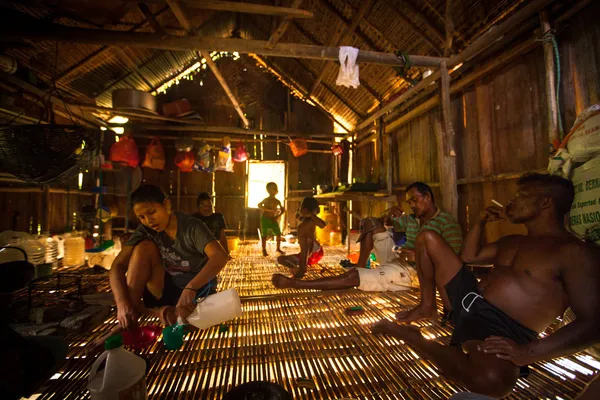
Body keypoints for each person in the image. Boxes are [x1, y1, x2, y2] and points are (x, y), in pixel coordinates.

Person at [372, 173, 600, 398]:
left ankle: (413, 337)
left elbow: (592, 324)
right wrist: (481, 221)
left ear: (545, 202)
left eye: (521, 195)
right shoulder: (513, 241)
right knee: (427, 237)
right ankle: (427, 305)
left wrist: (526, 353)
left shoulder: (573, 252)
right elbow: (469, 257)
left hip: (504, 328)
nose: (512, 201)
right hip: (468, 300)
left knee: (492, 381)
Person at [272, 182, 462, 293]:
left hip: (416, 273)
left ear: (428, 197)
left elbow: (452, 262)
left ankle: (296, 283)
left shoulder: (447, 224)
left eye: (415, 200)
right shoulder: (412, 219)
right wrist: (387, 215)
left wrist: (419, 257)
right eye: (409, 202)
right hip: (399, 258)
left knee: (354, 277)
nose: (411, 205)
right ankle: (361, 267)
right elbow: (377, 224)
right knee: (371, 222)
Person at [102, 185, 228, 343]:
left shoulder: (192, 227)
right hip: (166, 287)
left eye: (151, 212)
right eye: (141, 217)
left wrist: (191, 287)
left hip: (196, 291)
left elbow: (220, 257)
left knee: (199, 318)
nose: (148, 221)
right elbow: (117, 267)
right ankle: (130, 317)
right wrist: (122, 304)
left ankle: (157, 312)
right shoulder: (146, 229)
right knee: (143, 247)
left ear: (167, 205)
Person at [276, 197, 326, 278]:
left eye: (301, 208)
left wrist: (311, 214)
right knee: (280, 259)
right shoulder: (302, 218)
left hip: (314, 252)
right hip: (305, 257)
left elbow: (322, 225)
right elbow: (297, 215)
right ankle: (297, 267)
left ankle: (303, 269)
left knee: (305, 239)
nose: (299, 210)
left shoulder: (312, 219)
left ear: (306, 210)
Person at [257, 182, 285, 257]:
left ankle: (278, 248)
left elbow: (283, 210)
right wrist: (267, 210)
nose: (276, 190)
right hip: (265, 219)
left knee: (278, 234)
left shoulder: (277, 201)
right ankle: (264, 250)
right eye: (273, 188)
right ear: (268, 190)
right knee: (264, 235)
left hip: (273, 219)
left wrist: (277, 216)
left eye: (276, 188)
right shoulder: (266, 200)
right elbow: (259, 205)